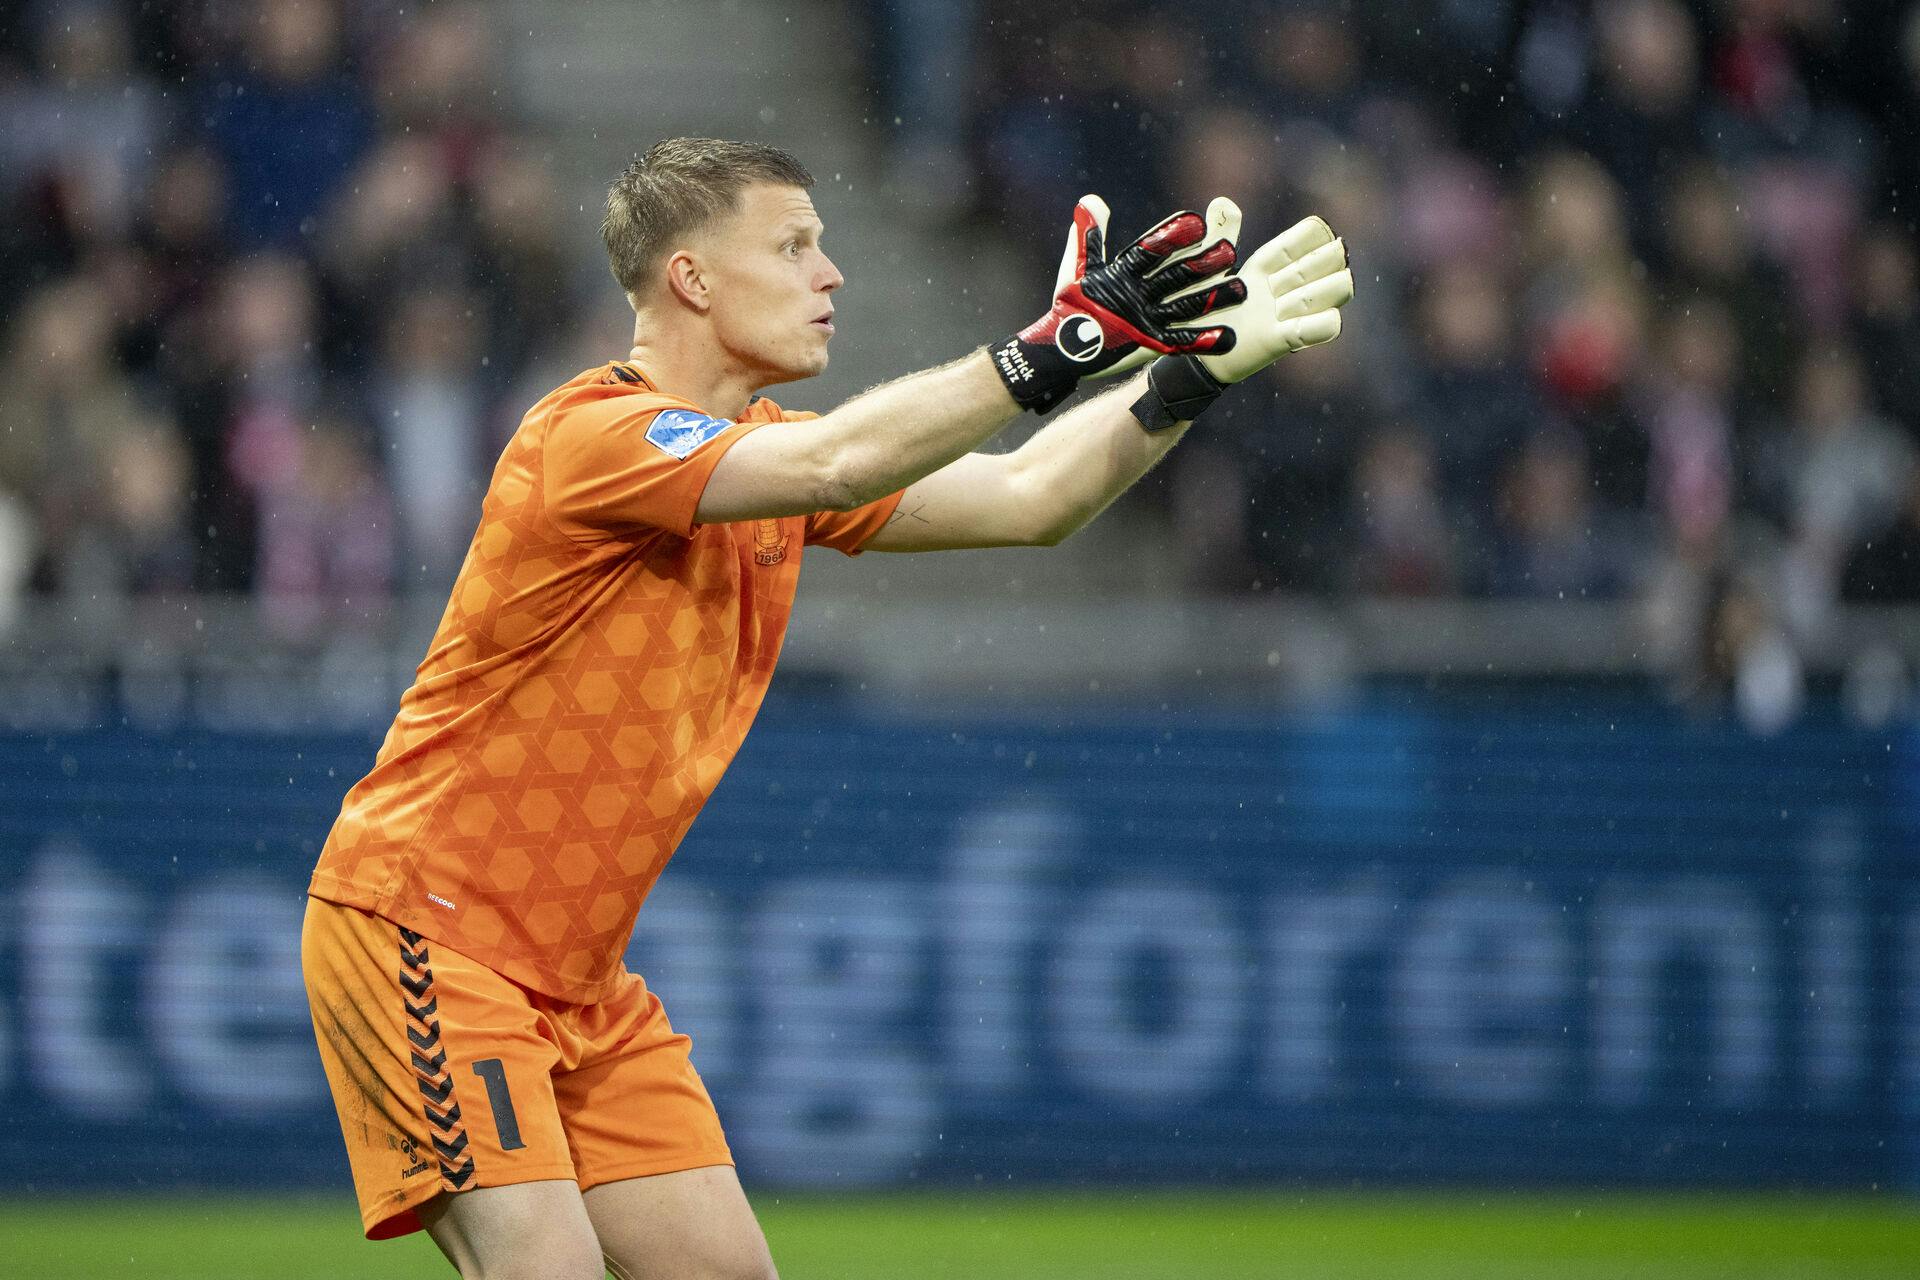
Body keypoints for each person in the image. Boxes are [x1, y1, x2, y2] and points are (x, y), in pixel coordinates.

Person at [299, 137, 1352, 1279]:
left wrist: (1181, 381)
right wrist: (1058, 346)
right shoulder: (588, 437)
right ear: (694, 279)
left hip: (581, 984)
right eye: (795, 244)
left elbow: (1029, 496)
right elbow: (839, 465)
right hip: (427, 930)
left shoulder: (772, 457)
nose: (833, 272)